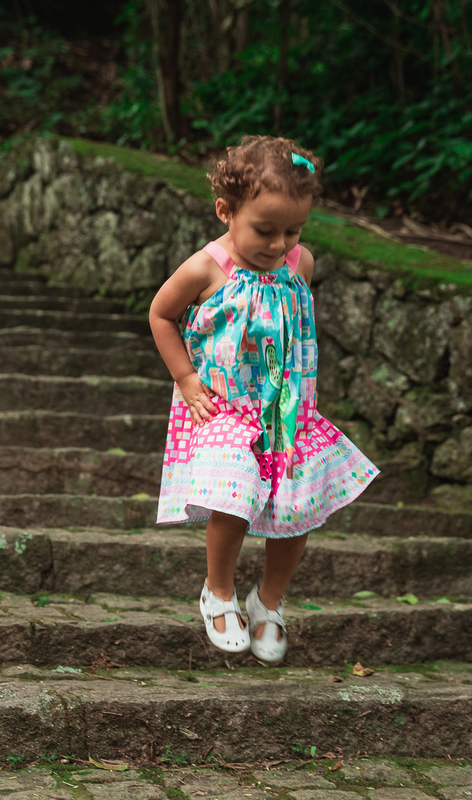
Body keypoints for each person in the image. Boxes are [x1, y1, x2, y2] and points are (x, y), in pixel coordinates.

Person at [149, 136, 378, 662]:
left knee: (300, 510)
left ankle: (268, 601)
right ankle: (219, 591)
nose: (278, 245)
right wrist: (185, 378)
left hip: (287, 415)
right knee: (234, 498)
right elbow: (161, 314)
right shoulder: (207, 268)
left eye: (292, 231)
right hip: (226, 408)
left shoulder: (301, 264)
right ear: (226, 211)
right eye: (264, 230)